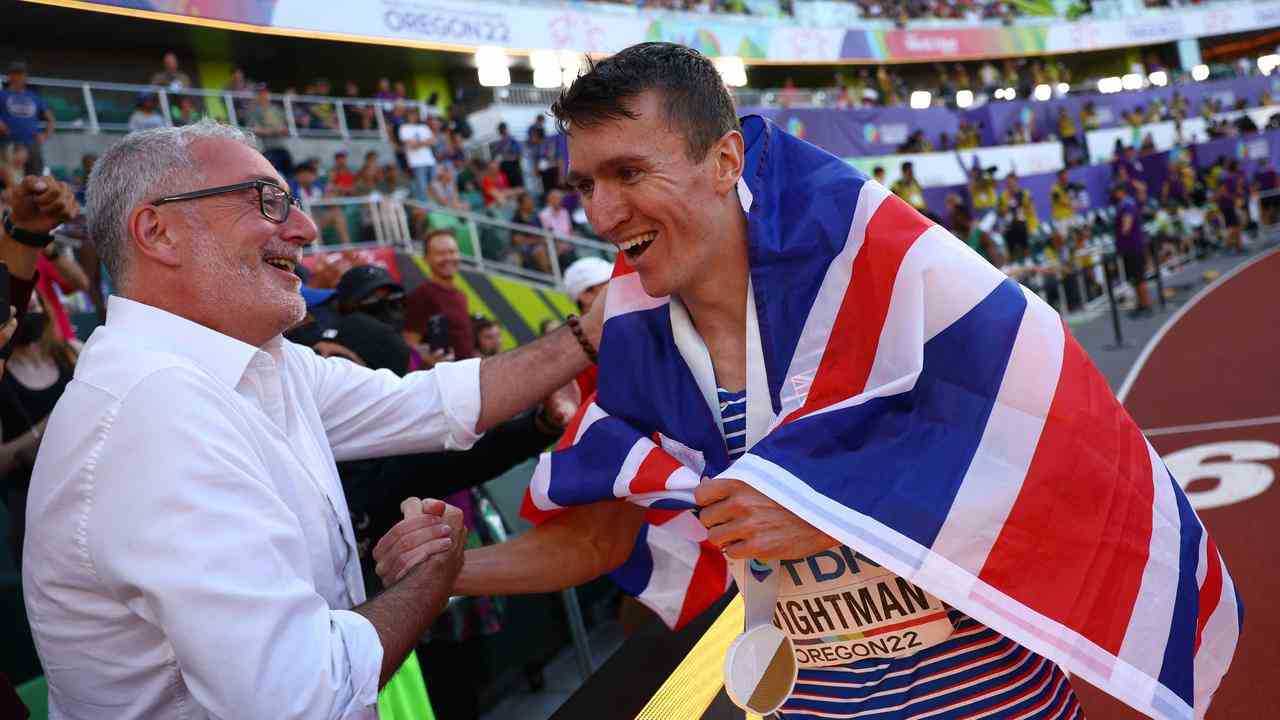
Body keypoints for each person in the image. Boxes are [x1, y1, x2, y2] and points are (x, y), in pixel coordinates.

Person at [379, 42, 1238, 720]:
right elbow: (602, 536)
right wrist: (446, 571)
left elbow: (1045, 448)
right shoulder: (637, 333)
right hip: (809, 704)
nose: (601, 215)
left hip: (988, 701)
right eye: (587, 184)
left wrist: (833, 499)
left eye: (630, 174)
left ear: (725, 162)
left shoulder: (889, 275)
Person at [22, 119, 608, 719]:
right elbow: (302, 697)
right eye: (267, 202)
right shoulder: (153, 415)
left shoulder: (260, 366)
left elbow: (433, 401)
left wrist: (592, 331)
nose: (304, 229)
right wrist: (433, 574)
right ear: (159, 231)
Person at [0, 295, 77, 567]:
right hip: (31, 505)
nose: (31, 312)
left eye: (36, 306)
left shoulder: (70, 355)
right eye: (24, 307)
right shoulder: (4, 377)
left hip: (83, 496)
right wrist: (45, 426)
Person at [404, 230, 475, 363]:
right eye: (440, 253)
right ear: (426, 259)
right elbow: (409, 346)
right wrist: (428, 361)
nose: (448, 258)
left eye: (452, 252)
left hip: (466, 377)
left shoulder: (460, 295)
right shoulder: (421, 295)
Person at [0, 62, 55, 176]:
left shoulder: (33, 96)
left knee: (36, 178)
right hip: (9, 142)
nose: (19, 77)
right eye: (16, 73)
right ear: (10, 76)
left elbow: (50, 118)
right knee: (11, 179)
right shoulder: (2, 95)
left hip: (32, 143)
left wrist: (45, 135)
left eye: (22, 74)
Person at [1113, 182, 1151, 317]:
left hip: (1132, 247)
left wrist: (1122, 233)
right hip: (1132, 247)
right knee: (1136, 278)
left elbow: (1126, 226)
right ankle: (1141, 304)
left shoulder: (1126, 205)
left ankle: (1146, 305)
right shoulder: (1128, 203)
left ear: (1121, 191)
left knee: (1139, 277)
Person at [398, 107, 436, 202]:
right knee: (421, 187)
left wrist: (418, 143)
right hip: (416, 162)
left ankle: (431, 203)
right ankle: (424, 207)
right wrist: (425, 142)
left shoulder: (424, 127)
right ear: (407, 116)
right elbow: (410, 145)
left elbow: (433, 141)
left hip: (430, 160)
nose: (413, 117)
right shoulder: (404, 128)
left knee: (432, 185)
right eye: (411, 115)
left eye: (414, 115)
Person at [490, 122, 524, 188]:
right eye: (500, 130)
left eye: (503, 129)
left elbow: (519, 153)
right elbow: (495, 155)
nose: (502, 132)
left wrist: (516, 161)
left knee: (517, 185)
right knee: (508, 185)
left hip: (513, 165)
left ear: (506, 129)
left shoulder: (512, 141)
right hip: (504, 165)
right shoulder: (499, 143)